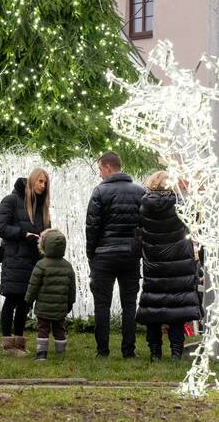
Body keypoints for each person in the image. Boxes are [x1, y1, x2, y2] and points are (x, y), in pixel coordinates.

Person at [135, 171, 201, 362]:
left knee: (153, 307)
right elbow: (194, 223)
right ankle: (176, 352)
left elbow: (140, 231)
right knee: (176, 311)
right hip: (178, 264)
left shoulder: (144, 205)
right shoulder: (180, 204)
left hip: (154, 263)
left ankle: (155, 352)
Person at [85, 151, 145, 358]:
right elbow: (144, 225)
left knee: (102, 303)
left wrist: (91, 254)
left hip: (104, 255)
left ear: (109, 168)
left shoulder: (100, 192)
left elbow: (92, 227)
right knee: (129, 304)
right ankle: (129, 350)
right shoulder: (139, 191)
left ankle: (102, 350)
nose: (100, 174)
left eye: (100, 169)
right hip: (130, 255)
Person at [0, 168, 51, 356]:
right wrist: (22, 234)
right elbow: (0, 226)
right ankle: (8, 344)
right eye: (40, 181)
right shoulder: (11, 200)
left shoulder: (42, 206)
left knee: (26, 302)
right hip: (15, 257)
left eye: (45, 183)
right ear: (32, 181)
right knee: (12, 299)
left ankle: (19, 343)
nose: (43, 185)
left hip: (34, 260)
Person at [24, 229, 76, 362]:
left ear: (44, 246)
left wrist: (28, 301)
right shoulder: (68, 266)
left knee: (43, 329)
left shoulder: (41, 265)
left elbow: (33, 286)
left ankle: (41, 354)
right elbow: (72, 289)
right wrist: (70, 303)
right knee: (59, 329)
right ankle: (60, 354)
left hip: (43, 307)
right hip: (60, 306)